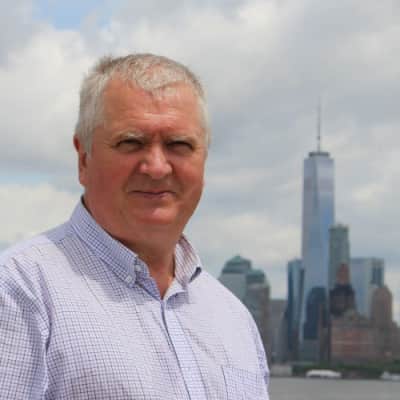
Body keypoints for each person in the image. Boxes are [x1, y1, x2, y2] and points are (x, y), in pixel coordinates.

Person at [0, 54, 270, 399]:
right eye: (131, 142)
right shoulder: (19, 292)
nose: (157, 167)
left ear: (204, 158)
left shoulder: (235, 320)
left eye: (179, 145)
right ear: (83, 158)